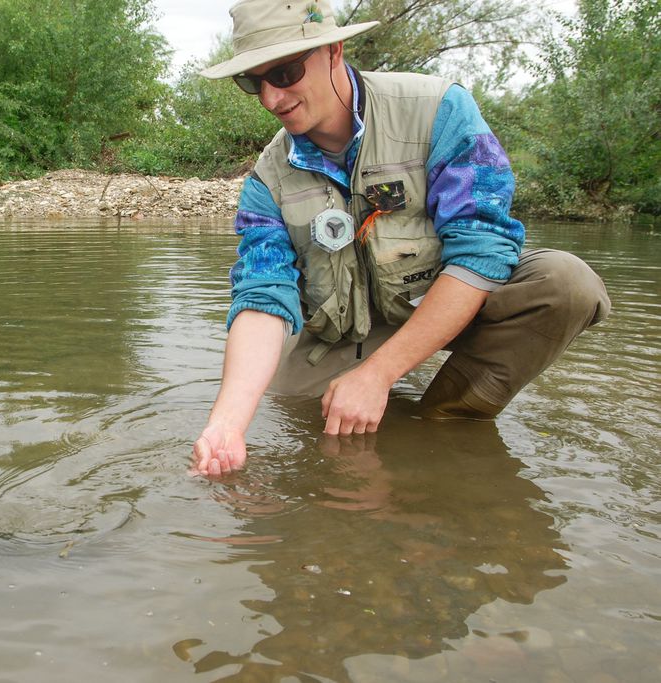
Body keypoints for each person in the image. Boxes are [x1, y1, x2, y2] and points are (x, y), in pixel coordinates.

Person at [191, 0, 611, 477]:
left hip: (447, 302)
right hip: (339, 335)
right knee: (308, 431)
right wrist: (226, 424)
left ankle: (444, 423)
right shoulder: (267, 179)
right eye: (252, 82)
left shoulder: (440, 110)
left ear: (334, 51)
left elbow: (483, 249)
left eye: (285, 73)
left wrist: (378, 375)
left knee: (566, 284)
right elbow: (263, 295)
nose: (270, 99)